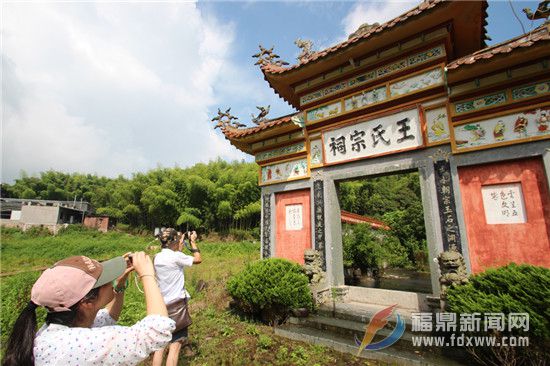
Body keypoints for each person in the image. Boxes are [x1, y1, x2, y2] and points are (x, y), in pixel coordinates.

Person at [2, 252, 175, 366]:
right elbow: (157, 331)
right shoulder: (74, 345)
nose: (111, 280)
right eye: (105, 280)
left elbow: (108, 317)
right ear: (86, 302)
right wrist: (147, 274)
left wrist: (119, 287)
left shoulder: (61, 329)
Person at [152, 228, 202, 366]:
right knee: (174, 348)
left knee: (159, 348)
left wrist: (179, 246)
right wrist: (192, 242)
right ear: (174, 242)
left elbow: (173, 259)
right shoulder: (176, 257)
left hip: (160, 307)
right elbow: (198, 259)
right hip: (177, 307)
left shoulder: (156, 258)